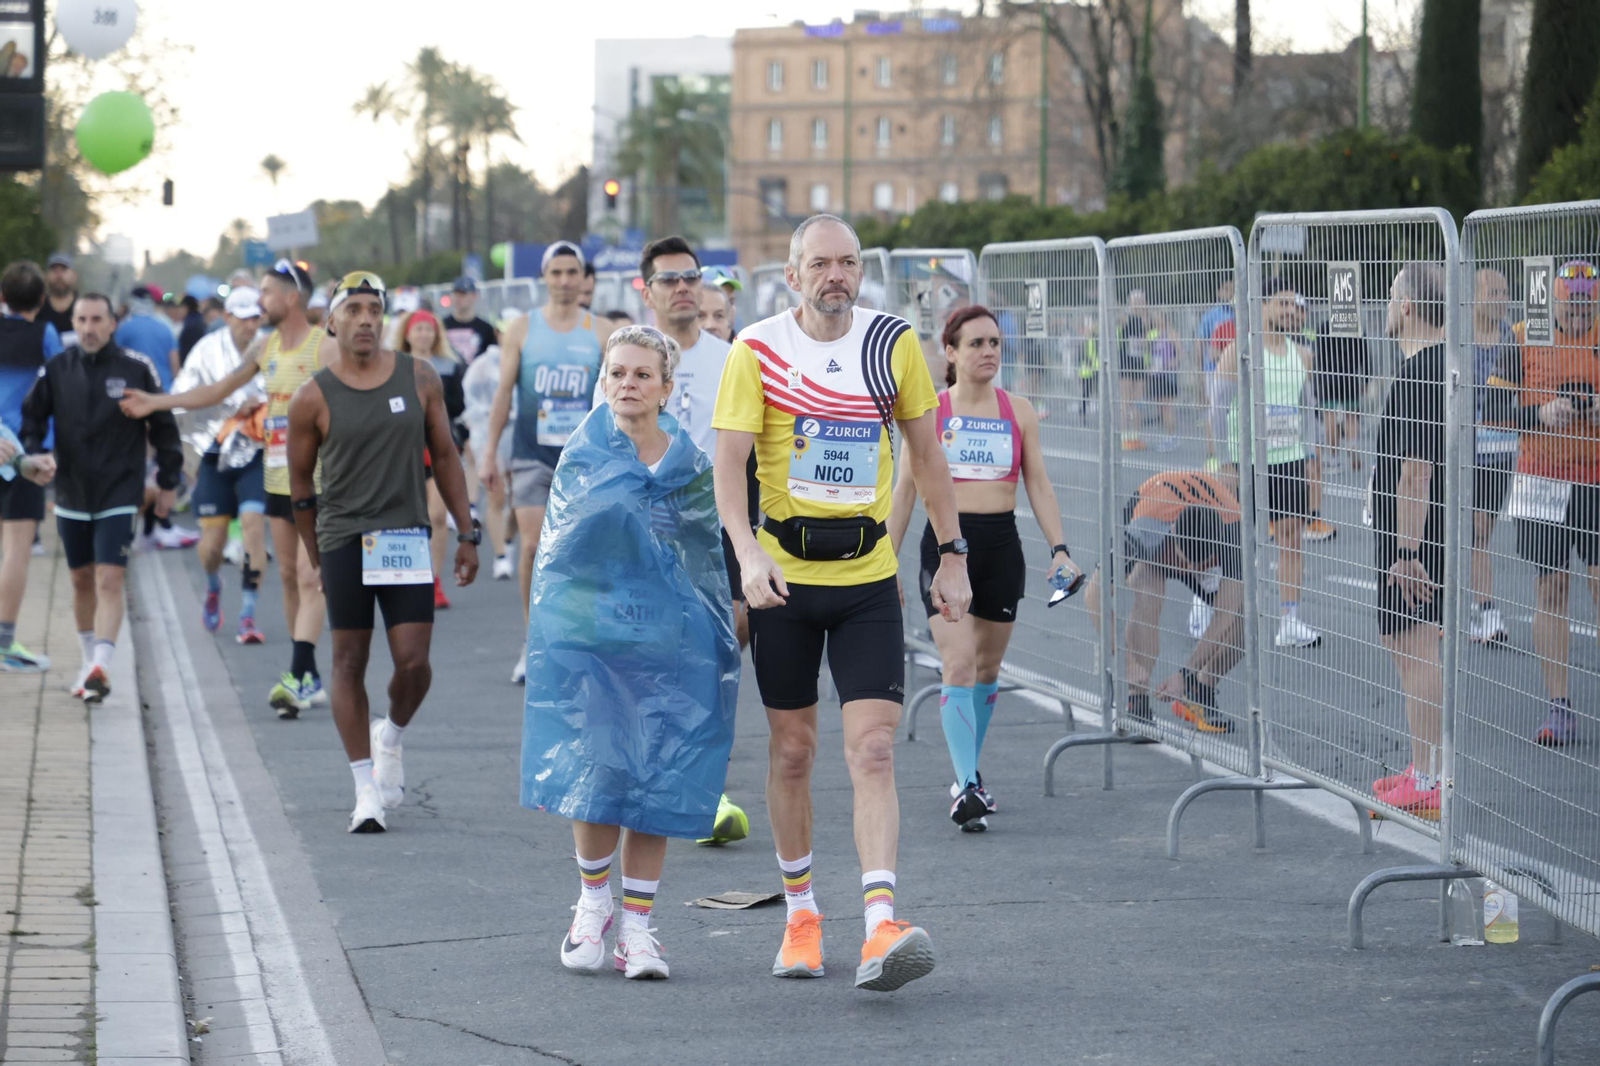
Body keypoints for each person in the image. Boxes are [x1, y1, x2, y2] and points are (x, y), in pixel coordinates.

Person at [711, 214, 972, 992]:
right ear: (792, 274)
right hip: (784, 577)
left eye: (848, 263)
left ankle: (880, 922)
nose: (836, 275)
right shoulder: (755, 348)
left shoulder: (893, 344)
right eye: (819, 263)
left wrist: (952, 555)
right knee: (793, 752)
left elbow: (927, 454)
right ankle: (800, 916)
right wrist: (748, 554)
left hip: (866, 578)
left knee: (875, 750)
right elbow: (729, 466)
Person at [524, 324, 738, 981]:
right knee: (600, 773)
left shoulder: (690, 465)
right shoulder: (584, 453)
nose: (628, 385)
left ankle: (639, 929)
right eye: (618, 372)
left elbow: (704, 561)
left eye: (642, 374)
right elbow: (559, 556)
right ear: (603, 379)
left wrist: (716, 634)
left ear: (667, 387)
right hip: (593, 641)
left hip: (664, 644)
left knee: (656, 776)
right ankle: (592, 908)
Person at [286, 271, 479, 833]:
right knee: (348, 662)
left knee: (414, 664)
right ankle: (364, 786)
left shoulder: (418, 378)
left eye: (375, 309)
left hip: (404, 536)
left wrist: (467, 535)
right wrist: (316, 555)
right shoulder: (311, 397)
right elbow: (301, 490)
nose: (366, 319)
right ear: (332, 321)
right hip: (344, 537)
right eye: (354, 310)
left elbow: (444, 457)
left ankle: (390, 734)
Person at [887, 305, 1083, 832]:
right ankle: (967, 785)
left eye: (995, 342)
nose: (988, 352)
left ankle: (967, 776)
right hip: (949, 545)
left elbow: (1038, 483)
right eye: (975, 343)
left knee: (988, 671)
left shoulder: (1017, 410)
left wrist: (1060, 547)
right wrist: (884, 565)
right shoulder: (930, 411)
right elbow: (905, 490)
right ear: (950, 352)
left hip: (1002, 545)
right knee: (958, 666)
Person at [119, 259, 331, 717]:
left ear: (291, 298)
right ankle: (306, 675)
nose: (261, 302)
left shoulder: (323, 348)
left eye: (267, 294)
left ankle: (300, 671)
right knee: (291, 576)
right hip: (278, 477)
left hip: (318, 482)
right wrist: (158, 401)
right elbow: (216, 390)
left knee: (315, 577)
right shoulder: (265, 345)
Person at [629, 235, 748, 846]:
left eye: (691, 278)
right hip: (651, 530)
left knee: (718, 657)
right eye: (669, 279)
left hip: (717, 526)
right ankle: (668, 777)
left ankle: (702, 783)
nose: (683, 288)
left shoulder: (734, 357)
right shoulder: (629, 356)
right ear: (645, 290)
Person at [21, 294, 183, 702]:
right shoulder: (58, 368)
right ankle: (86, 660)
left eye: (97, 319)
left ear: (113, 323)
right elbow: (32, 419)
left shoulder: (135, 368)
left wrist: (167, 482)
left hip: (120, 490)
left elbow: (164, 427)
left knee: (109, 577)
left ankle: (102, 665)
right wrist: (35, 452)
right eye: (82, 320)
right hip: (72, 490)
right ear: (73, 324)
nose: (89, 328)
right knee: (80, 580)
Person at [1484, 259, 1600, 747]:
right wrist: (1539, 411)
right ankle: (1560, 706)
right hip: (1541, 480)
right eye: (1571, 309)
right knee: (1551, 590)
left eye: (1587, 309)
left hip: (1594, 480)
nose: (1578, 318)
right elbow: (1490, 409)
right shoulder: (1522, 335)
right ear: (1552, 301)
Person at [479, 241, 603, 683]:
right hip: (531, 454)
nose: (565, 281)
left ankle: (574, 637)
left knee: (580, 553)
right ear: (545, 278)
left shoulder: (600, 330)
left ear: (583, 279)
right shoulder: (521, 329)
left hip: (585, 461)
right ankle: (533, 640)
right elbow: (502, 396)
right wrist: (489, 452)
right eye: (557, 273)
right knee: (533, 547)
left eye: (573, 273)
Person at [1369, 262, 1451, 817]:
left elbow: (1415, 470)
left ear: (1408, 306)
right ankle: (1423, 766)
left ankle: (1431, 780)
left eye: (1393, 295)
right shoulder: (1430, 366)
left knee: (1418, 648)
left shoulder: (1423, 372)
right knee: (1406, 646)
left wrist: (1406, 552)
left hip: (1415, 535)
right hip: (1411, 528)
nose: (1387, 306)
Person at [1084, 470, 1248, 735]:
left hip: (1202, 534)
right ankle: (1137, 701)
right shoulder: (1144, 528)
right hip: (1157, 528)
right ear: (1172, 534)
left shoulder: (1235, 532)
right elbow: (1094, 595)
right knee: (1148, 593)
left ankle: (1199, 689)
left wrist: (1186, 673)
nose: (1185, 569)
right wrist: (1127, 662)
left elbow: (1226, 613)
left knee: (1247, 622)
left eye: (1195, 565)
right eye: (1183, 561)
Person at [1218, 277, 1321, 649]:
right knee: (1238, 542)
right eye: (1283, 304)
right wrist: (1224, 459)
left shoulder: (1303, 354)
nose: (1291, 311)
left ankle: (1289, 619)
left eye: (1295, 306)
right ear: (1262, 305)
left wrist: (1310, 454)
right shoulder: (1240, 351)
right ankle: (1213, 608)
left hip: (1289, 459)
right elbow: (1217, 407)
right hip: (1247, 463)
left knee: (1292, 538)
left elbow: (1308, 409)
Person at [172, 287, 269, 643]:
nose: (249, 324)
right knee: (211, 547)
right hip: (214, 457)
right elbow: (183, 400)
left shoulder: (271, 348)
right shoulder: (206, 350)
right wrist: (230, 410)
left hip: (257, 455)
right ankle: (214, 585)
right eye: (241, 317)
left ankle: (247, 613)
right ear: (226, 317)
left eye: (255, 317)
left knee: (252, 525)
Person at [0, 261, 64, 672]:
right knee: (16, 551)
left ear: (3, 297)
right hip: (23, 456)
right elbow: (61, 387)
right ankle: (5, 645)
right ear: (42, 300)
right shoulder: (46, 334)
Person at [397, 309, 467, 610]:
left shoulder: (450, 366)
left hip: (438, 449)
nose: (424, 334)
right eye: (419, 329)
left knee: (437, 517)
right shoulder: (394, 367)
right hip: (405, 451)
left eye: (429, 329)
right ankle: (410, 577)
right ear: (407, 334)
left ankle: (434, 580)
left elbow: (459, 405)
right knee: (410, 519)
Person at [1468, 268, 1516, 645]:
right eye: (1494, 292)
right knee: (1475, 532)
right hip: (1464, 452)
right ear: (1475, 294)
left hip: (1500, 449)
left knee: (1483, 534)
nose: (1501, 299)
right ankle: (1485, 610)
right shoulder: (1457, 336)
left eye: (1505, 292)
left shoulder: (1511, 338)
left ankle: (1479, 609)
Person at [115, 284, 181, 391]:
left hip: (136, 392)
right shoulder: (166, 326)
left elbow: (115, 359)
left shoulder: (124, 327)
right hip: (164, 392)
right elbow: (175, 364)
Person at [443, 276, 499, 363]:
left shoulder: (486, 329)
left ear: (474, 296)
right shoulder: (443, 325)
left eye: (463, 294)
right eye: (455, 294)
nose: (458, 298)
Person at [41, 253, 78, 344]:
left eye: (64, 270)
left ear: (74, 275)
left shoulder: (83, 309)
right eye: (54, 270)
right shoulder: (37, 307)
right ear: (47, 276)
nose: (59, 275)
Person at [177, 295, 208, 364]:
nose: (179, 311)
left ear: (186, 308)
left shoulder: (190, 325)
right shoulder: (200, 320)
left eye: (180, 308)